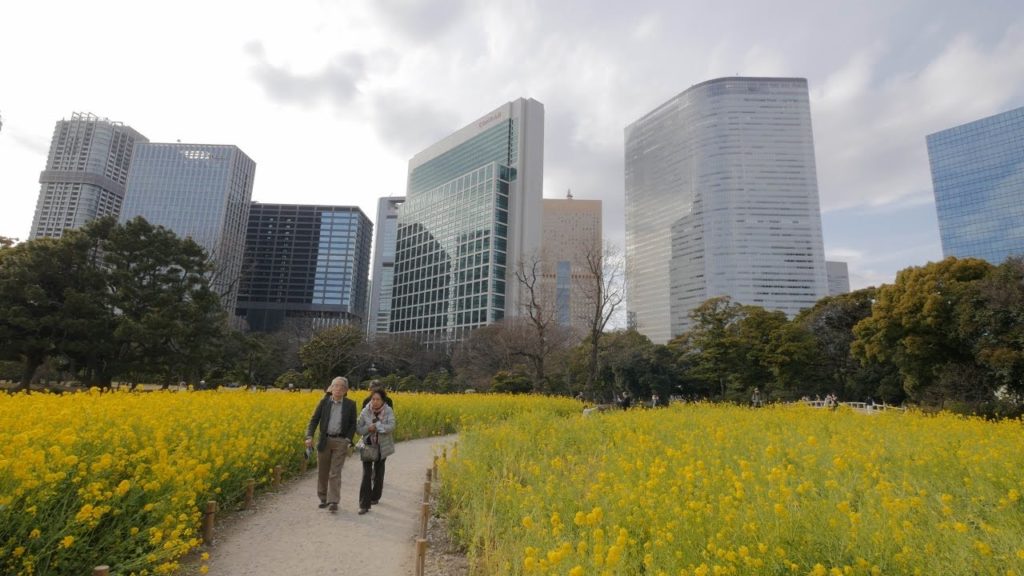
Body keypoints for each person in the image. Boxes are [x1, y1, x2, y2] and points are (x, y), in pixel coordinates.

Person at [305, 377, 357, 512]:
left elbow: (353, 424)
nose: (338, 389)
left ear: (346, 390)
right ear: (331, 388)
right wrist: (309, 436)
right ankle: (323, 498)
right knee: (322, 471)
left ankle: (333, 501)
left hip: (340, 441)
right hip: (324, 440)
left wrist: (347, 440)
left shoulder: (351, 404)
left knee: (335, 472)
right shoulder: (324, 402)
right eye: (335, 386)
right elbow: (314, 420)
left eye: (341, 387)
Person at [356, 389, 396, 515]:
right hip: (368, 445)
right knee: (366, 474)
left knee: (379, 473)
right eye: (373, 399)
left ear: (383, 400)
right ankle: (364, 504)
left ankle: (375, 496)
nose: (375, 401)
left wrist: (377, 427)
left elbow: (391, 426)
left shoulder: (388, 411)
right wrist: (368, 428)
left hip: (382, 446)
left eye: (378, 399)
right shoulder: (365, 411)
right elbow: (358, 429)